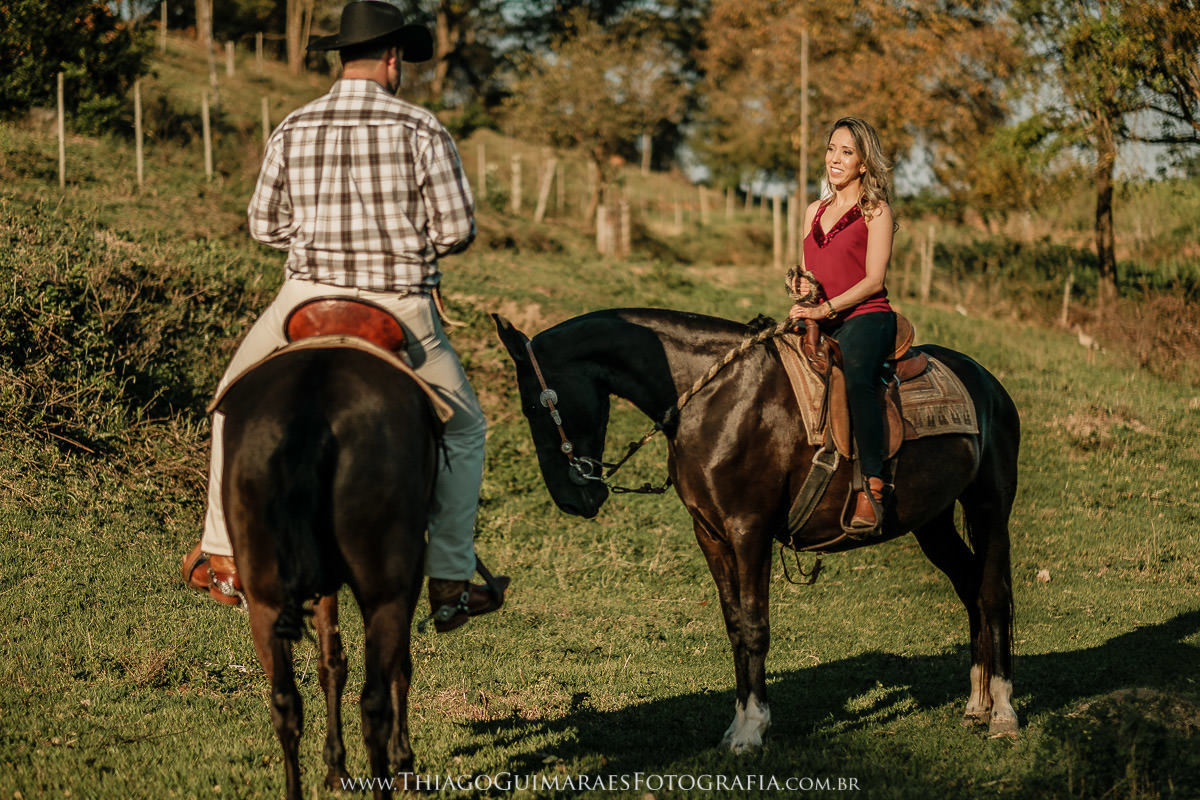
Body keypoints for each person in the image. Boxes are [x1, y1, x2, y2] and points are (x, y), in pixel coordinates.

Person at [180, 0, 507, 632]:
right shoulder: (422, 128)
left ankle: (221, 553)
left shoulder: (295, 125)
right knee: (467, 429)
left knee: (228, 404)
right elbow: (458, 229)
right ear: (392, 58)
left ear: (343, 55)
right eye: (401, 59)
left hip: (304, 300)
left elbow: (262, 224)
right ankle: (448, 579)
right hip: (399, 307)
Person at [788, 117, 897, 529]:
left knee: (855, 380)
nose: (835, 159)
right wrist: (802, 289)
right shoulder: (813, 210)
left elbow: (873, 281)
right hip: (820, 313)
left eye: (847, 152)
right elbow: (808, 272)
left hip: (866, 317)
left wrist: (824, 310)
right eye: (832, 149)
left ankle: (872, 482)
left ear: (864, 163)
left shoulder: (875, 211)